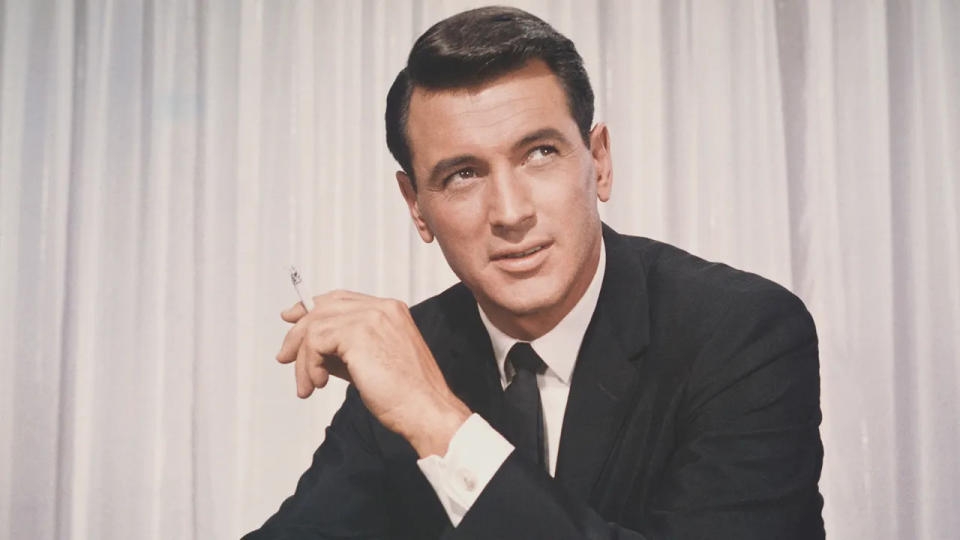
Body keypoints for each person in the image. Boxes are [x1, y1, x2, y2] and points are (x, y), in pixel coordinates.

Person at [244, 6, 824, 539]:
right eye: (463, 175)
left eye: (539, 153)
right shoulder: (415, 350)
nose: (511, 212)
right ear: (416, 206)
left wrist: (437, 420)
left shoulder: (743, 333)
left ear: (598, 162)